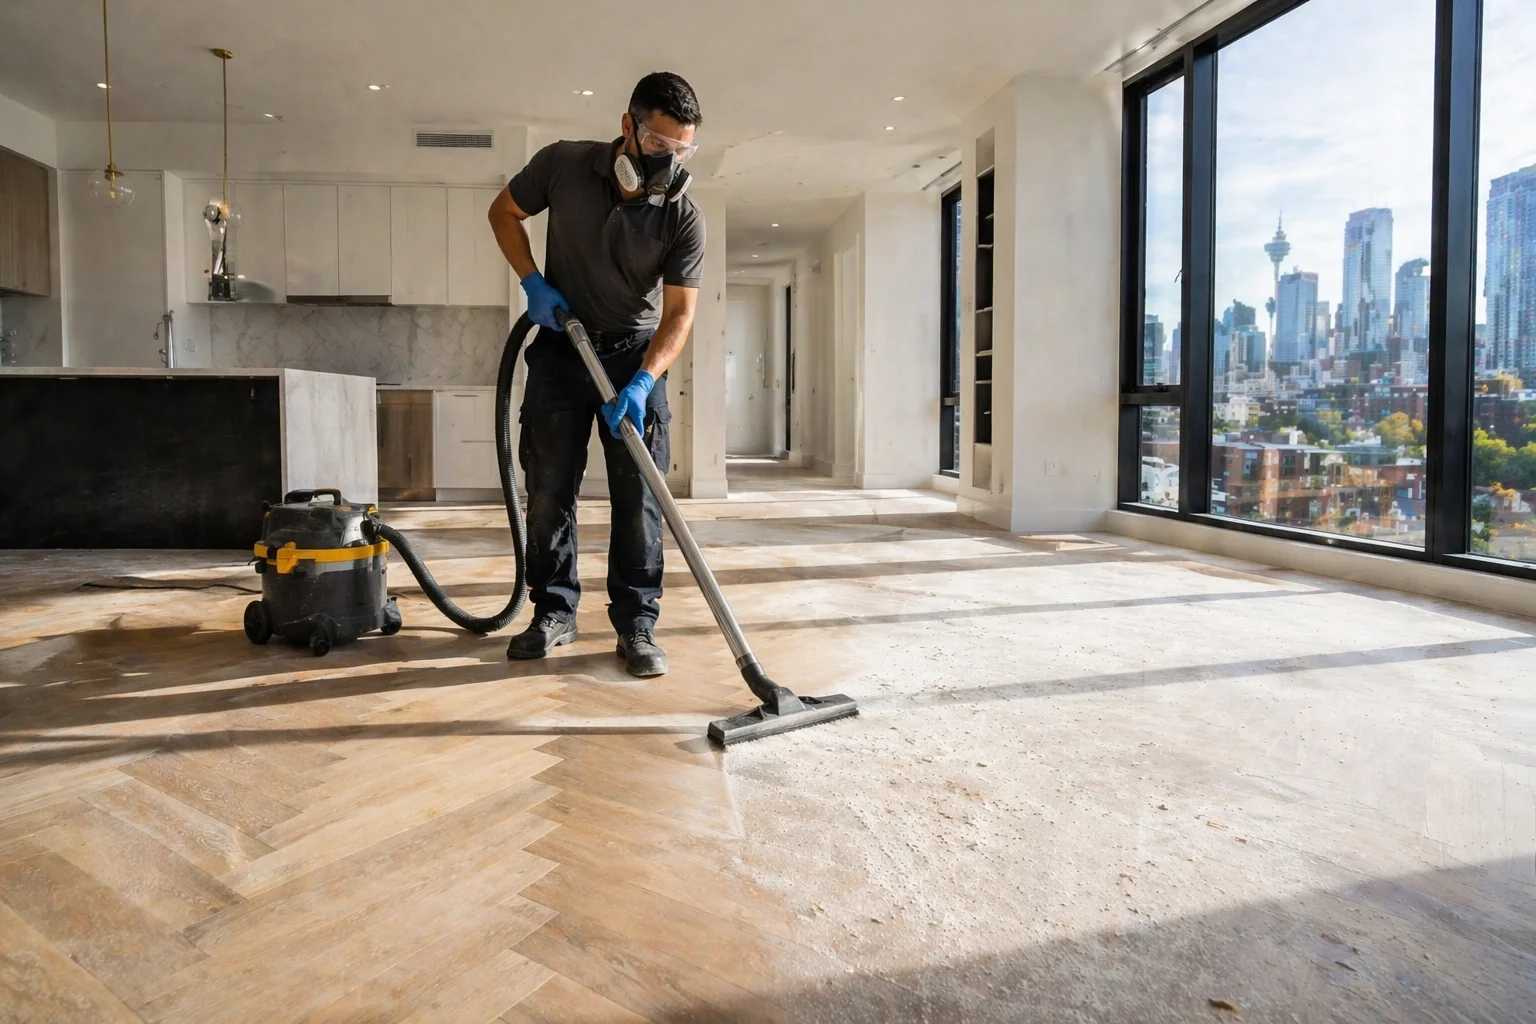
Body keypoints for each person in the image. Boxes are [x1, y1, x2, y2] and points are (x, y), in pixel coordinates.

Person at [487, 72, 705, 678]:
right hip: (562, 350)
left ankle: (637, 624)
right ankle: (553, 612)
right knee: (550, 489)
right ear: (628, 127)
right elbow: (504, 212)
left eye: (682, 150)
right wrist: (532, 280)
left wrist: (643, 380)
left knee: (640, 500)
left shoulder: (683, 214)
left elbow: (681, 313)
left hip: (634, 356)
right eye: (660, 145)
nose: (670, 161)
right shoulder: (562, 165)